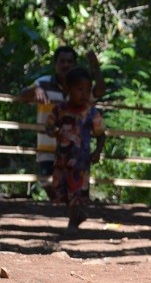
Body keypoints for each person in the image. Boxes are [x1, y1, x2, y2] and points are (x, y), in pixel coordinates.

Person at [16, 46, 106, 195]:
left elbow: (100, 91)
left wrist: (95, 67)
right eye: (62, 61)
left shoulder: (80, 90)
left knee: (74, 189)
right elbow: (21, 96)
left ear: (75, 65)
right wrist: (35, 90)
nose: (66, 65)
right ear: (55, 64)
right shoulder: (43, 83)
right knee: (50, 184)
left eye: (70, 62)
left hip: (74, 151)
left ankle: (70, 214)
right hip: (47, 148)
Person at [44, 67, 106, 233]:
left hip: (81, 161)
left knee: (77, 192)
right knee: (59, 190)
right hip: (61, 159)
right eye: (79, 89)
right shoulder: (60, 109)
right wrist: (55, 131)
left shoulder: (91, 112)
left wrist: (97, 152)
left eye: (87, 90)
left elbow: (101, 134)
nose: (84, 94)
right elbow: (49, 126)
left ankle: (72, 223)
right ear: (68, 88)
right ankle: (78, 216)